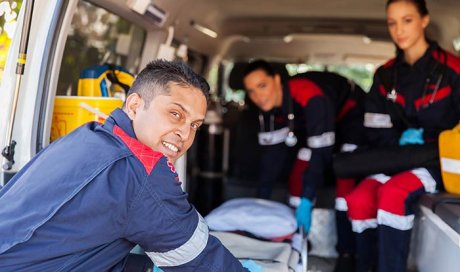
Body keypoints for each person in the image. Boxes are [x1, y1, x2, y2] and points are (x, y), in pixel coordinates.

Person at [0, 60, 256, 271]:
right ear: (134, 105)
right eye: (175, 114)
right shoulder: (142, 172)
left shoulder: (89, 136)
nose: (185, 133)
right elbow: (202, 261)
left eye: (195, 125)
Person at [344, 1, 460, 271]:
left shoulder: (453, 71)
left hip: (438, 161)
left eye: (407, 20)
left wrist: (432, 141)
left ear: (424, 20)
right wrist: (399, 140)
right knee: (359, 199)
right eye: (392, 22)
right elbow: (374, 126)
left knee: (393, 194)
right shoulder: (385, 75)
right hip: (395, 156)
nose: (399, 30)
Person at [242, 60, 367, 272]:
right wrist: (259, 202)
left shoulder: (310, 95)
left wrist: (308, 199)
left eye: (262, 86)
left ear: (277, 80)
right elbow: (272, 157)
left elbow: (321, 153)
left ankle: (348, 253)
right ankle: (298, 240)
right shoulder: (268, 109)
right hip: (324, 125)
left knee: (345, 174)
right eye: (251, 91)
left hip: (353, 118)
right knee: (298, 174)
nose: (258, 96)